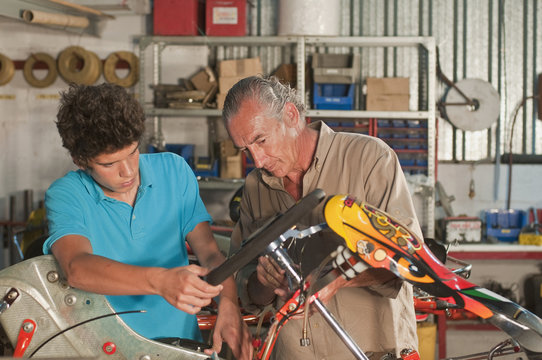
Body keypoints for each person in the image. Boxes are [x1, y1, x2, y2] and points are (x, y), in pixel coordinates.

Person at [43, 83, 252, 359]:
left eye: (132, 151)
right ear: (81, 160)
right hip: (105, 350)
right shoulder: (67, 195)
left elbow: (211, 254)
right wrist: (161, 281)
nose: (128, 171)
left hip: (180, 348)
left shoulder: (174, 171)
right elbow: (76, 267)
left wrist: (228, 301)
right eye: (109, 164)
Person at [222, 76, 423, 359]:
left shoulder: (370, 159)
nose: (257, 160)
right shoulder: (256, 187)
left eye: (261, 140)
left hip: (372, 351)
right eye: (245, 149)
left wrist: (336, 277)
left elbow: (410, 259)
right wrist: (262, 282)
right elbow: (247, 288)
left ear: (291, 115)